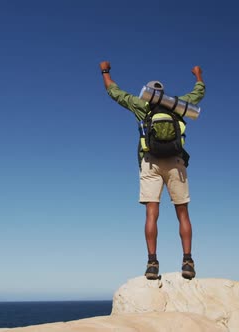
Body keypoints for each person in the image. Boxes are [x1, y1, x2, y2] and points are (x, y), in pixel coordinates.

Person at [99, 61, 205, 280]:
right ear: (163, 94)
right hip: (176, 163)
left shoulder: (141, 105)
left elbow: (114, 92)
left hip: (150, 161)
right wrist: (198, 75)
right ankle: (188, 261)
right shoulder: (178, 105)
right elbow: (199, 92)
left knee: (151, 213)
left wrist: (105, 71)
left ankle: (152, 263)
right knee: (182, 213)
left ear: (148, 93)